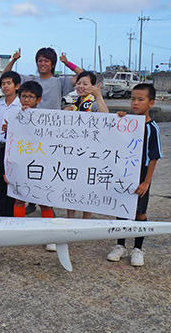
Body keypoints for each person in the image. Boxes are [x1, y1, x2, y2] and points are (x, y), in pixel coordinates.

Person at [106, 83, 162, 267]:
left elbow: (154, 157)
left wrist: (147, 182)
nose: (135, 103)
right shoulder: (127, 122)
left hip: (141, 175)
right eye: (132, 99)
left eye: (140, 99)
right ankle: (120, 245)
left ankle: (137, 248)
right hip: (124, 172)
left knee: (140, 213)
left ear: (151, 103)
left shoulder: (152, 128)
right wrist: (120, 119)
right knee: (121, 209)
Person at [3, 81, 54, 225]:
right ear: (19, 98)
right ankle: (19, 229)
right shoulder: (14, 116)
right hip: (21, 163)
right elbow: (10, 145)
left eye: (31, 97)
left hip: (40, 164)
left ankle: (49, 232)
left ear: (38, 100)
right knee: (19, 198)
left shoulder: (45, 118)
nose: (26, 99)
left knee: (44, 200)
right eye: (24, 96)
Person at [63, 70, 109, 220]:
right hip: (75, 153)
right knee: (73, 185)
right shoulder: (76, 103)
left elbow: (105, 116)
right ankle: (71, 218)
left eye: (85, 84)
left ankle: (85, 220)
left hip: (89, 153)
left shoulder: (94, 102)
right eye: (78, 83)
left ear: (93, 86)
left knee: (87, 186)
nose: (80, 86)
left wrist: (99, 96)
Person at [0, 71, 21, 217]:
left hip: (13, 149)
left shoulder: (22, 107)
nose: (5, 86)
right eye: (3, 84)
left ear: (17, 86)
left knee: (12, 181)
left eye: (9, 83)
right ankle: (0, 213)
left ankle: (11, 214)